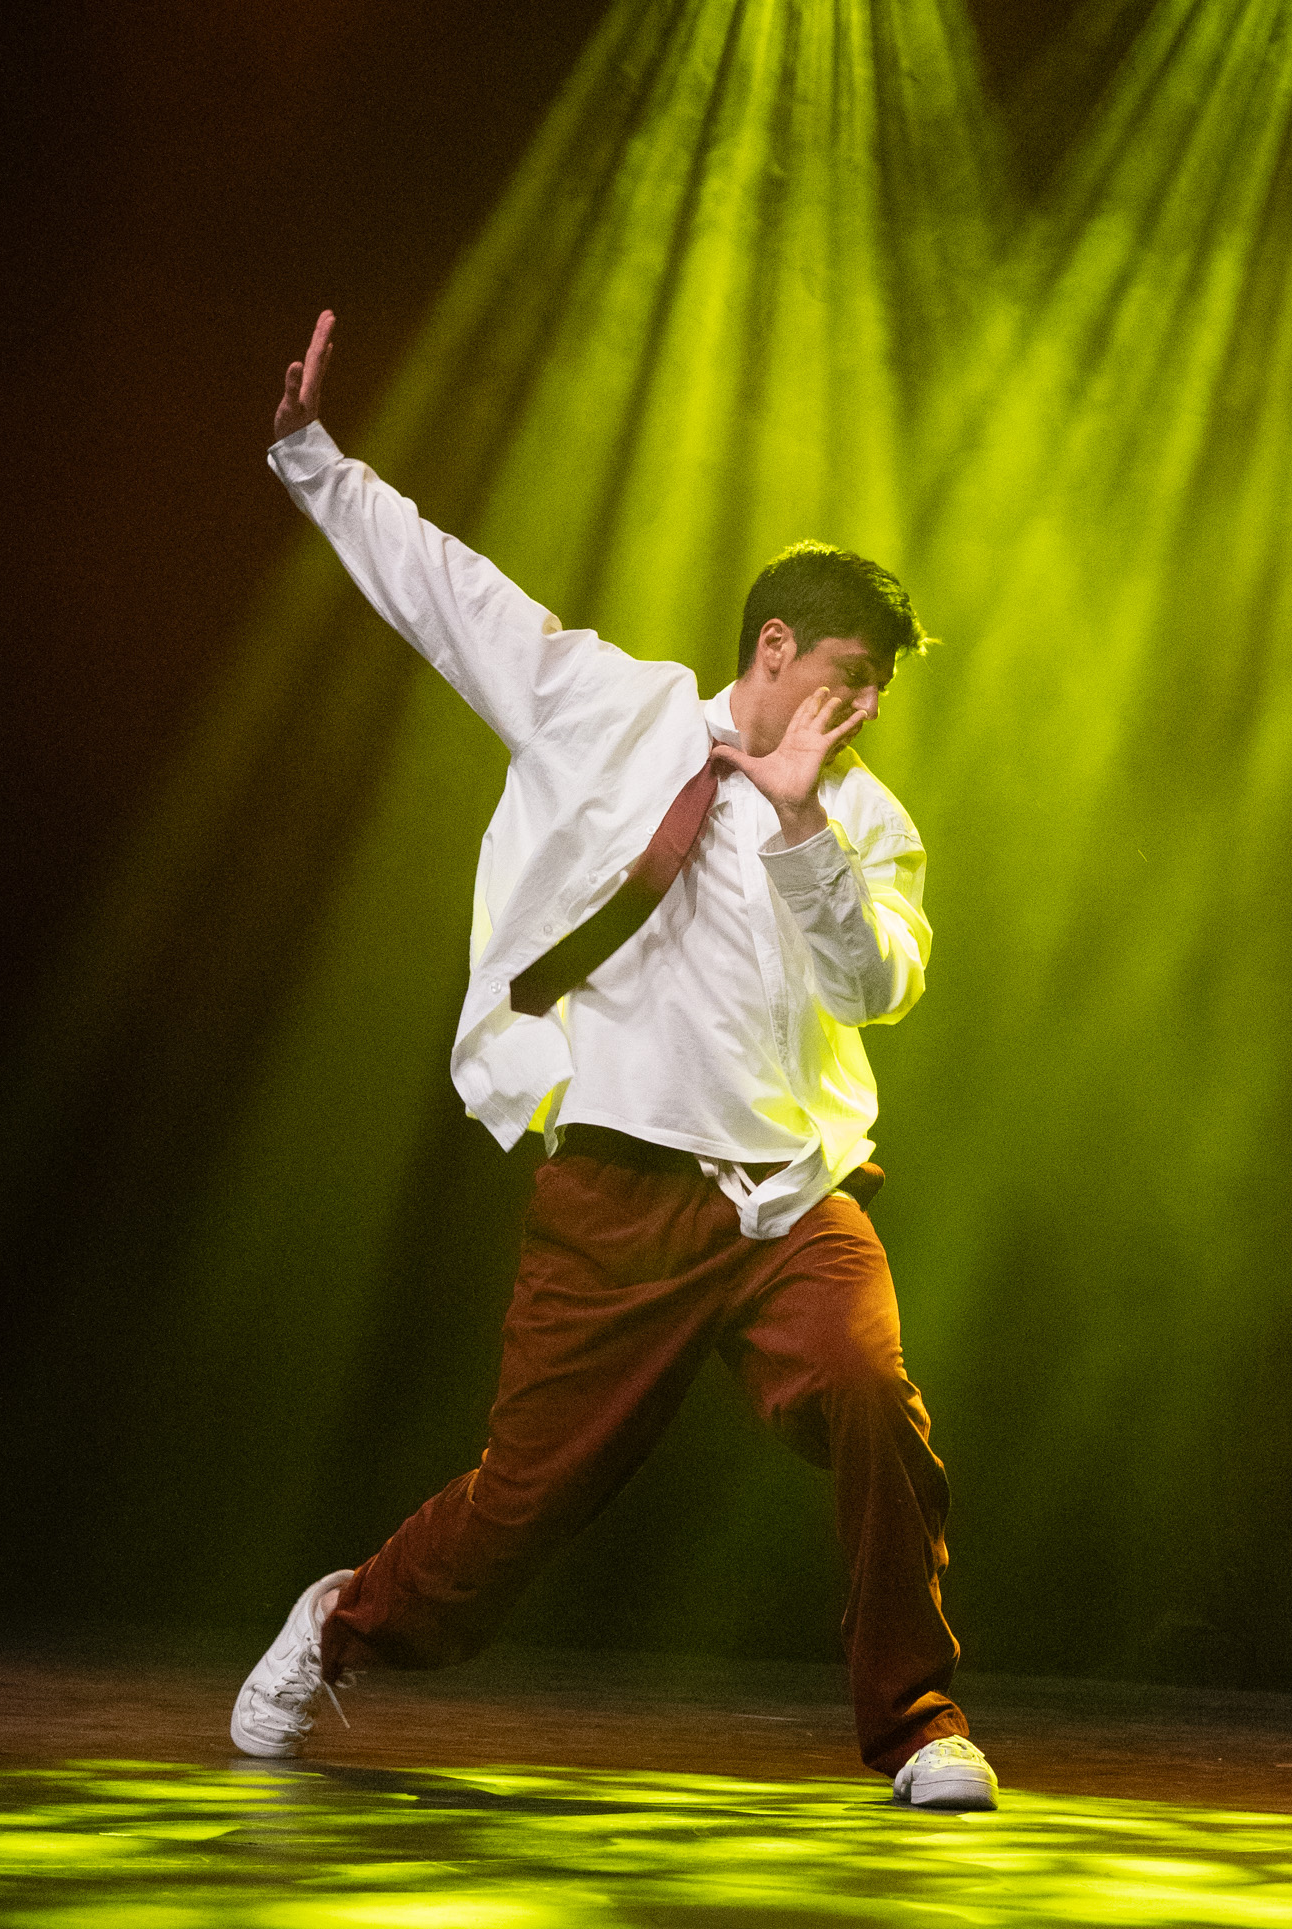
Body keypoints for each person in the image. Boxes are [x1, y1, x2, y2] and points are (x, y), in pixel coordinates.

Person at [230, 310, 998, 1811]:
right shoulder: (606, 709)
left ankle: (919, 1725)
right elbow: (445, 591)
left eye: (878, 697)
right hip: (616, 1192)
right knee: (522, 1505)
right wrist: (311, 457)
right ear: (772, 650)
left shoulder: (865, 818)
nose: (859, 713)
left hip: (790, 1202)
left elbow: (883, 987)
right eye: (846, 677)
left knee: (870, 1398)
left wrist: (800, 827)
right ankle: (343, 1622)